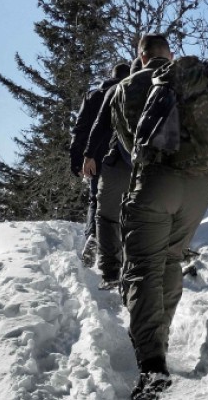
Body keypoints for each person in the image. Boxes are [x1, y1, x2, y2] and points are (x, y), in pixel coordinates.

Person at [111, 35, 208, 399]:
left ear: (140, 56)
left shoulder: (129, 86)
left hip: (157, 181)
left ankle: (152, 365)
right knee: (170, 260)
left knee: (142, 268)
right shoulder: (194, 79)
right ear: (169, 54)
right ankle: (159, 344)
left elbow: (129, 144)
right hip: (200, 187)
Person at [82, 57, 142, 290]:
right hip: (157, 167)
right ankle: (140, 268)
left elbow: (99, 126)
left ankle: (110, 271)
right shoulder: (163, 86)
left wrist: (87, 155)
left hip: (118, 161)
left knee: (105, 213)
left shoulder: (115, 91)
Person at [69, 62, 130, 267]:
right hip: (122, 157)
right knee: (125, 200)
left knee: (96, 200)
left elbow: (80, 129)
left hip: (95, 156)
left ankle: (92, 237)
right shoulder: (129, 92)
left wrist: (77, 158)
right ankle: (121, 246)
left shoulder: (93, 96)